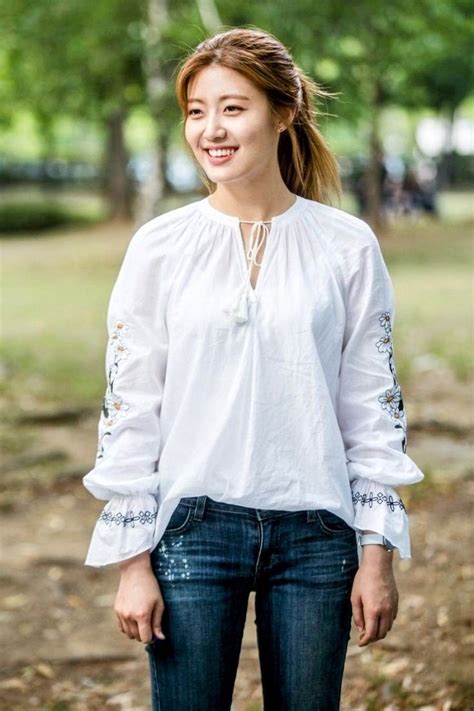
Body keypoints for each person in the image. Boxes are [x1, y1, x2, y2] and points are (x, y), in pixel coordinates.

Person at [82, 27, 424, 710]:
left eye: (232, 107)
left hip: (318, 534)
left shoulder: (347, 246)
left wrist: (377, 554)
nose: (210, 128)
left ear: (284, 111)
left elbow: (372, 406)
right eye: (196, 110)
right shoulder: (160, 247)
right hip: (192, 529)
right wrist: (132, 562)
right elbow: (131, 406)